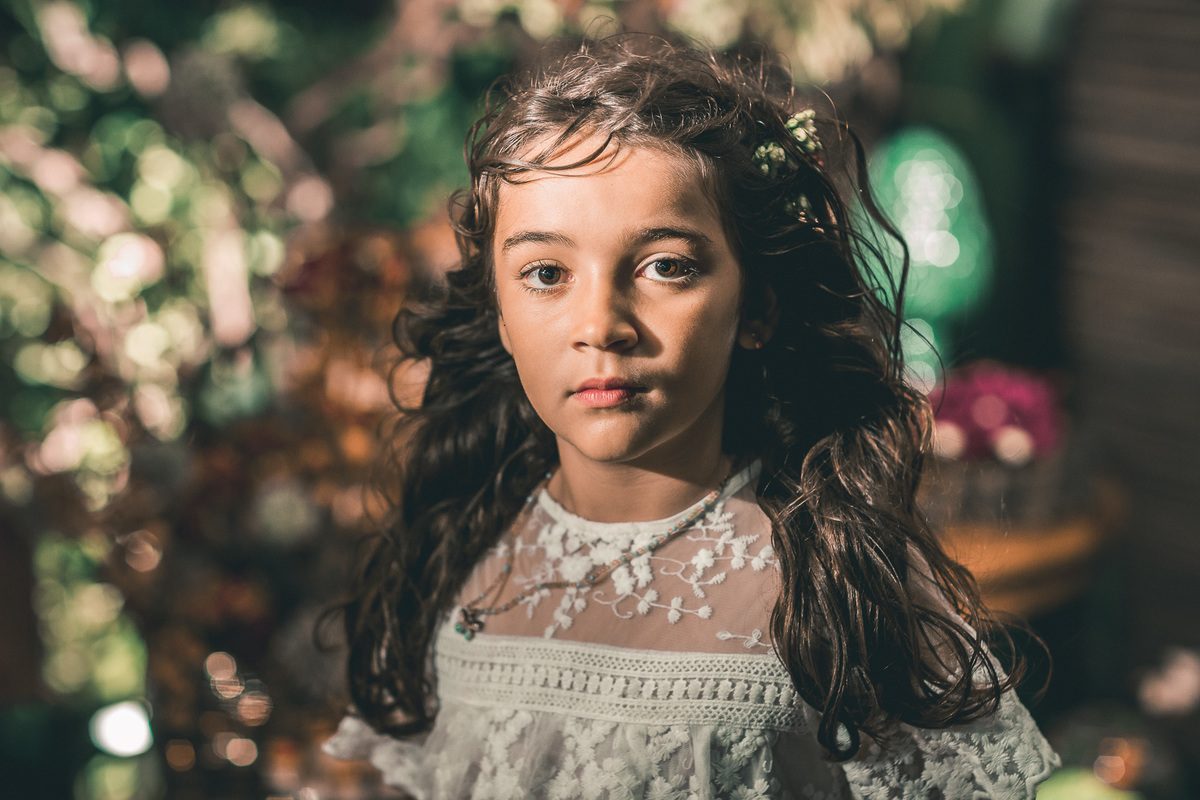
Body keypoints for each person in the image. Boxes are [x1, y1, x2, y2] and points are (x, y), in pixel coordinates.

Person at [324, 35, 1059, 799]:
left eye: (665, 266)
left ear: (757, 306)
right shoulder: (460, 550)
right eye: (545, 273)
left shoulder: (833, 581)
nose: (601, 325)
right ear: (501, 315)